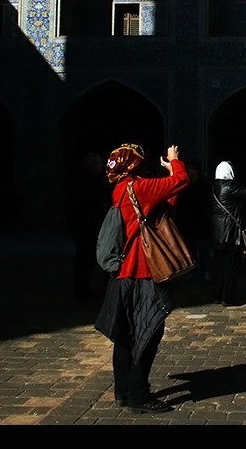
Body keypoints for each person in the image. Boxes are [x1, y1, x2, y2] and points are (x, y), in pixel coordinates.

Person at [94, 143, 190, 414]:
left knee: (124, 335)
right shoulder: (139, 188)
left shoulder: (121, 189)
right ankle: (138, 394)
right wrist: (174, 162)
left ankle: (122, 391)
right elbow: (180, 181)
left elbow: (162, 207)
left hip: (122, 277)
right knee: (148, 333)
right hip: (143, 275)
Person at [210, 161, 246, 306]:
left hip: (218, 234)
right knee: (231, 268)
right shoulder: (230, 186)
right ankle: (228, 297)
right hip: (230, 233)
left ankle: (218, 294)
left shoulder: (216, 187)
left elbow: (240, 197)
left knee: (219, 267)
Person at [66, 151, 111, 302]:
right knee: (87, 262)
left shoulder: (92, 181)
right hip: (90, 228)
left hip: (91, 228)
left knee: (86, 262)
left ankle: (84, 291)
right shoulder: (90, 184)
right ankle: (83, 292)